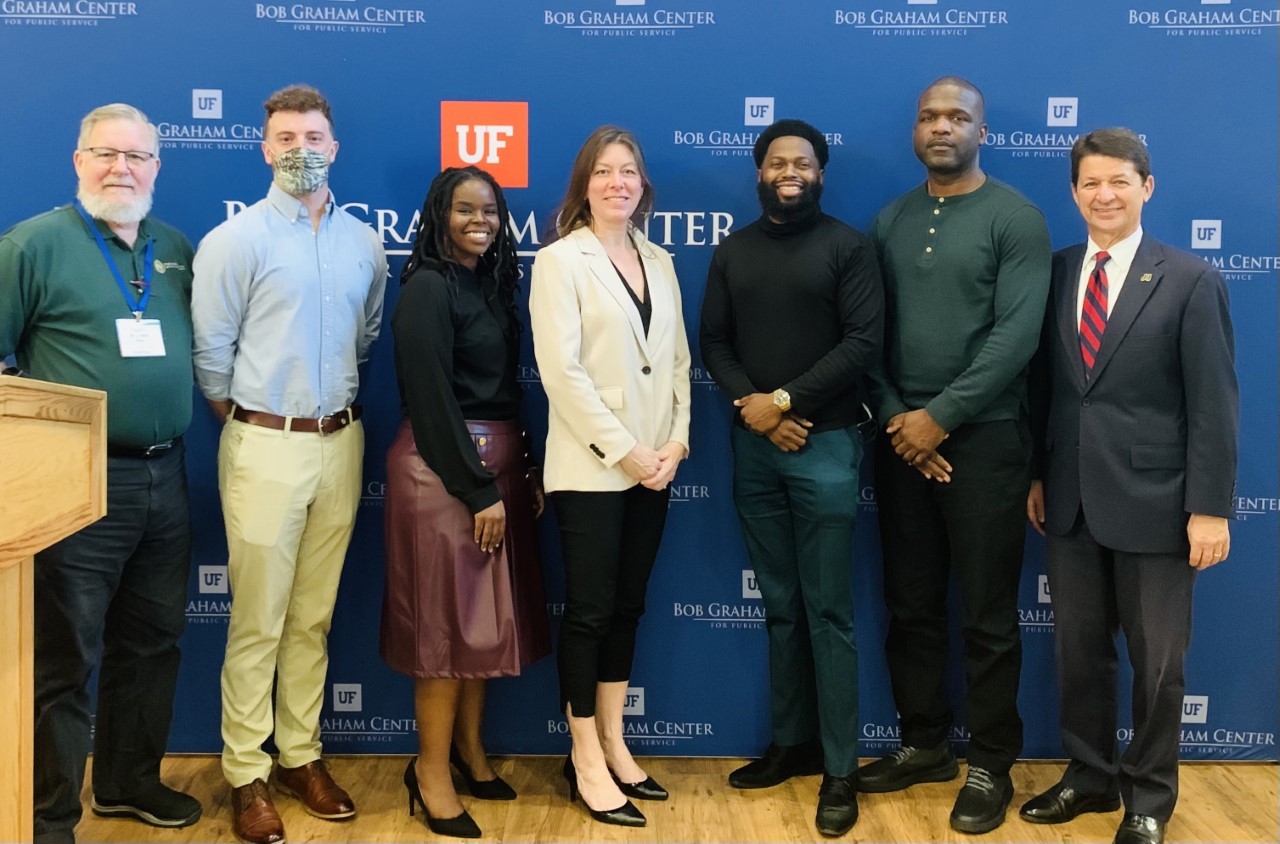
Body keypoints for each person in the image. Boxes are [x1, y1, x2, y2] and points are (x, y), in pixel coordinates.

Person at [1020, 128, 1238, 844]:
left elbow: (1213, 404)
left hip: (1160, 504)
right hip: (1071, 499)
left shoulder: (1190, 279)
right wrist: (1036, 474)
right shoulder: (1051, 272)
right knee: (1079, 655)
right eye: (1090, 184)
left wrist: (1208, 509)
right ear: (1074, 192)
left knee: (1157, 667)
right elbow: (1044, 391)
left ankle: (1148, 797)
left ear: (1148, 187)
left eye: (1119, 181)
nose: (1104, 195)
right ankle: (1088, 778)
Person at [0, 103, 201, 844]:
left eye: (137, 157)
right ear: (77, 160)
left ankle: (127, 783)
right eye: (106, 154)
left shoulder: (173, 248)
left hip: (165, 478)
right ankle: (49, 814)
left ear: (156, 166)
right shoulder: (32, 245)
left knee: (152, 642)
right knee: (65, 654)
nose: (122, 168)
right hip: (70, 485)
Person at [192, 84, 387, 844]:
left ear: (334, 147)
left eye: (314, 136)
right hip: (263, 444)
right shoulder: (234, 243)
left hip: (341, 442)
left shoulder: (362, 242)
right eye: (285, 137)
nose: (300, 149)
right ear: (263, 147)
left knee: (312, 618)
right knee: (258, 622)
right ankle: (245, 772)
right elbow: (213, 360)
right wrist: (259, 424)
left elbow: (365, 338)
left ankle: (301, 755)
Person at [858, 76, 1051, 834]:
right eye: (930, 117)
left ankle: (992, 762)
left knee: (988, 614)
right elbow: (866, 335)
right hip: (902, 440)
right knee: (910, 605)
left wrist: (942, 418)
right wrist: (904, 420)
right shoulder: (890, 220)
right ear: (916, 130)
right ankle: (924, 743)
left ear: (982, 131)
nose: (942, 127)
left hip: (988, 441)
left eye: (958, 117)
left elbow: (1016, 336)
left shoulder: (1016, 217)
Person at [699, 118, 884, 838]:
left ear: (820, 173)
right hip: (755, 447)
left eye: (802, 163)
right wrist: (756, 410)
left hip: (827, 445)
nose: (789, 171)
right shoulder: (734, 251)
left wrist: (783, 402)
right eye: (777, 162)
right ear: (759, 173)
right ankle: (793, 743)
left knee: (828, 612)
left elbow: (864, 343)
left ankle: (841, 769)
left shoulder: (848, 247)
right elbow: (714, 340)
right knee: (781, 605)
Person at [381, 166, 551, 839]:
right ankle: (430, 774)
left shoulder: (491, 284)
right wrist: (478, 488)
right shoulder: (426, 287)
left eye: (490, 210)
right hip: (445, 474)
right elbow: (430, 399)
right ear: (438, 215)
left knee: (479, 629)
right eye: (464, 209)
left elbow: (505, 388)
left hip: (499, 466)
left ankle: (472, 755)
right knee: (444, 634)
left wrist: (526, 468)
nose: (479, 220)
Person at [529, 125, 691, 829]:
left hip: (657, 465)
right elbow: (561, 374)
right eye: (603, 172)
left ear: (642, 185)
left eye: (628, 171)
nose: (617, 182)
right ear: (584, 185)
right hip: (593, 467)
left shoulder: (661, 258)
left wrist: (676, 444)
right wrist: (626, 449)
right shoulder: (561, 262)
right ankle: (585, 757)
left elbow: (679, 361)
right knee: (591, 613)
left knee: (627, 608)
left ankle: (617, 742)